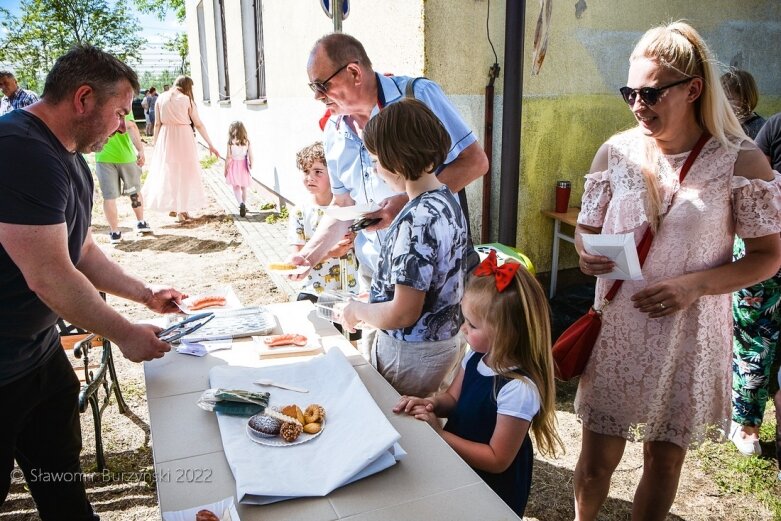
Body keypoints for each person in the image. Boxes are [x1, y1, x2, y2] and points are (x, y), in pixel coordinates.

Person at [573, 21, 781, 520]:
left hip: (689, 332)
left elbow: (768, 256)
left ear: (693, 89)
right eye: (630, 93)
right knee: (597, 461)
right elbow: (585, 229)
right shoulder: (616, 152)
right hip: (620, 326)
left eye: (651, 93)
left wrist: (694, 286)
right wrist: (585, 253)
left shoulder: (741, 162)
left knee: (663, 461)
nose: (638, 105)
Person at [0, 45, 185, 521]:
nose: (124, 125)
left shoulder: (68, 155)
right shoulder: (19, 150)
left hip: (37, 355)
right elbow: (50, 276)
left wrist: (145, 296)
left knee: (61, 483)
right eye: (120, 112)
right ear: (83, 99)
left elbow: (80, 251)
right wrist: (125, 334)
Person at [289, 33, 488, 354]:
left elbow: (475, 163)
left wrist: (407, 203)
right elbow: (343, 206)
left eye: (321, 85)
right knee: (388, 379)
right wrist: (308, 256)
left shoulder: (418, 95)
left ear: (354, 73)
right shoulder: (333, 130)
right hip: (376, 278)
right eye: (313, 88)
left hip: (435, 279)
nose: (317, 96)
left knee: (437, 379)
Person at [393, 250, 562, 516]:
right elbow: (452, 399)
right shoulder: (476, 356)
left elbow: (497, 459)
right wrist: (431, 403)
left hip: (494, 488)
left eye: (471, 324)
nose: (463, 329)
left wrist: (440, 435)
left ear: (505, 333)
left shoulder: (518, 389)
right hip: (461, 467)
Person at [341, 99, 469, 396]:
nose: (374, 171)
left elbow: (404, 312)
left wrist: (358, 310)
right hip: (444, 343)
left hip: (411, 355)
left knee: (403, 432)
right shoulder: (447, 199)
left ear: (395, 160)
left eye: (375, 161)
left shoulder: (416, 219)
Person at [289, 141, 359, 338]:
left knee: (350, 345)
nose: (310, 177)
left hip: (347, 291)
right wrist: (330, 252)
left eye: (318, 171)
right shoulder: (300, 211)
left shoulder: (350, 209)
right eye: (305, 171)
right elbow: (297, 258)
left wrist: (354, 239)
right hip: (315, 290)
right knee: (319, 341)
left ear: (334, 175)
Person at [141, 75, 220, 222]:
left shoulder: (161, 98)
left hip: (166, 136)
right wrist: (210, 144)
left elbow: (157, 124)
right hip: (184, 137)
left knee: (170, 172)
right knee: (185, 173)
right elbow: (198, 124)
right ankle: (181, 210)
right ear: (187, 87)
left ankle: (174, 206)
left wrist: (156, 144)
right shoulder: (186, 100)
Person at [95, 113, 153, 243]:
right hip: (125, 157)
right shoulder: (121, 101)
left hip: (103, 157)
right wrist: (140, 150)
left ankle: (114, 232)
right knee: (133, 191)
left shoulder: (96, 102)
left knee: (109, 197)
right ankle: (141, 223)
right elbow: (131, 126)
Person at [720, 68, 765, 139]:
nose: (722, 104)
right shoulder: (724, 124)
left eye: (728, 99)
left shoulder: (759, 128)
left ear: (745, 99)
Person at [224, 120, 254, 217]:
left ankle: (240, 203)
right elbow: (251, 155)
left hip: (234, 165)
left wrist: (225, 168)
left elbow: (228, 156)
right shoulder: (247, 142)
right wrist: (251, 164)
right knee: (244, 187)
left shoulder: (230, 142)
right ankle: (244, 204)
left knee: (236, 187)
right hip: (244, 165)